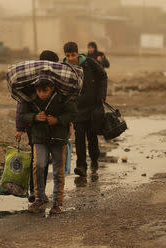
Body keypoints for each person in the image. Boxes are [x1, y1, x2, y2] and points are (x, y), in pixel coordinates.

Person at [19, 79, 77, 214]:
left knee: (58, 170)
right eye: (38, 91)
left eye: (44, 91)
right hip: (39, 137)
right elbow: (22, 115)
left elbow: (72, 114)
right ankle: (39, 198)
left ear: (51, 88)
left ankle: (58, 202)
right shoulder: (29, 98)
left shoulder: (63, 98)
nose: (41, 94)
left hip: (58, 138)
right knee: (38, 165)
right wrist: (34, 117)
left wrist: (57, 120)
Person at [15, 50, 59, 203]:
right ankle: (35, 192)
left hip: (50, 127)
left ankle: (38, 191)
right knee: (39, 160)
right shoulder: (32, 81)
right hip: (33, 127)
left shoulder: (54, 81)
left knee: (41, 160)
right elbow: (22, 105)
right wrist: (20, 128)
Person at [63, 42, 108, 177]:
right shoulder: (64, 67)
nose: (70, 58)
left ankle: (94, 159)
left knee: (92, 136)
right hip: (76, 109)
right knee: (79, 138)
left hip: (93, 106)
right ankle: (81, 166)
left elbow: (103, 76)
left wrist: (101, 96)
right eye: (68, 55)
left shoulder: (89, 63)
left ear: (78, 53)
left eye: (73, 55)